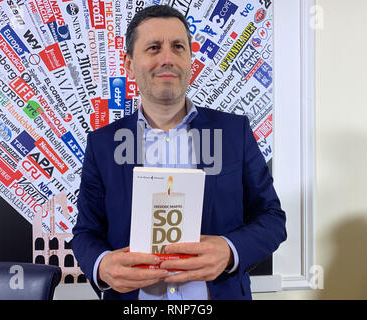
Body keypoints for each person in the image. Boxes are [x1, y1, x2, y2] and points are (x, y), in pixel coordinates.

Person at [72, 5, 286, 300]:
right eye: (153, 48)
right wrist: (102, 265)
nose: (167, 59)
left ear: (189, 60)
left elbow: (272, 218)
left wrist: (229, 250)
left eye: (178, 47)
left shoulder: (234, 133)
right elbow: (85, 233)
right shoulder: (103, 144)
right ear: (129, 65)